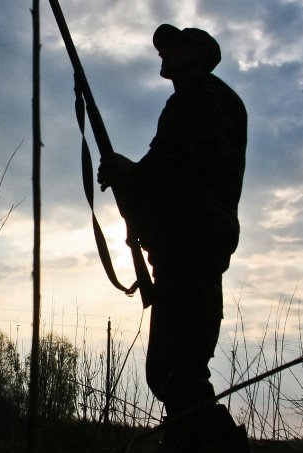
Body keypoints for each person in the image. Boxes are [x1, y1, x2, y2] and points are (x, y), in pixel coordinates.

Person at [97, 24, 249, 452]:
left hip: (194, 244)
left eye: (174, 45)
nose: (163, 53)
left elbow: (182, 167)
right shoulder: (189, 101)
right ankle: (191, 440)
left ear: (200, 53)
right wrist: (133, 188)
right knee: (170, 369)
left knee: (177, 368)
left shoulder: (207, 98)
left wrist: (132, 173)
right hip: (181, 245)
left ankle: (214, 445)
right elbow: (169, 173)